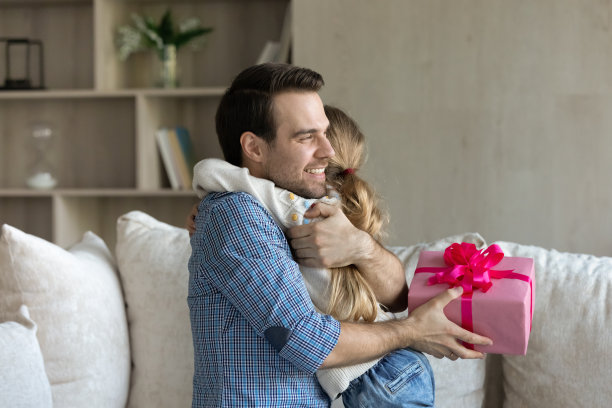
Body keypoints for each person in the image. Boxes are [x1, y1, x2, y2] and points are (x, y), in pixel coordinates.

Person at [187, 63, 492, 407]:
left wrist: (362, 248)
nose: (328, 150)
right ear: (254, 148)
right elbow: (306, 341)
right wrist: (412, 331)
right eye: (306, 137)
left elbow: (397, 298)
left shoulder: (299, 208)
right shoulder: (235, 214)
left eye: (325, 132)